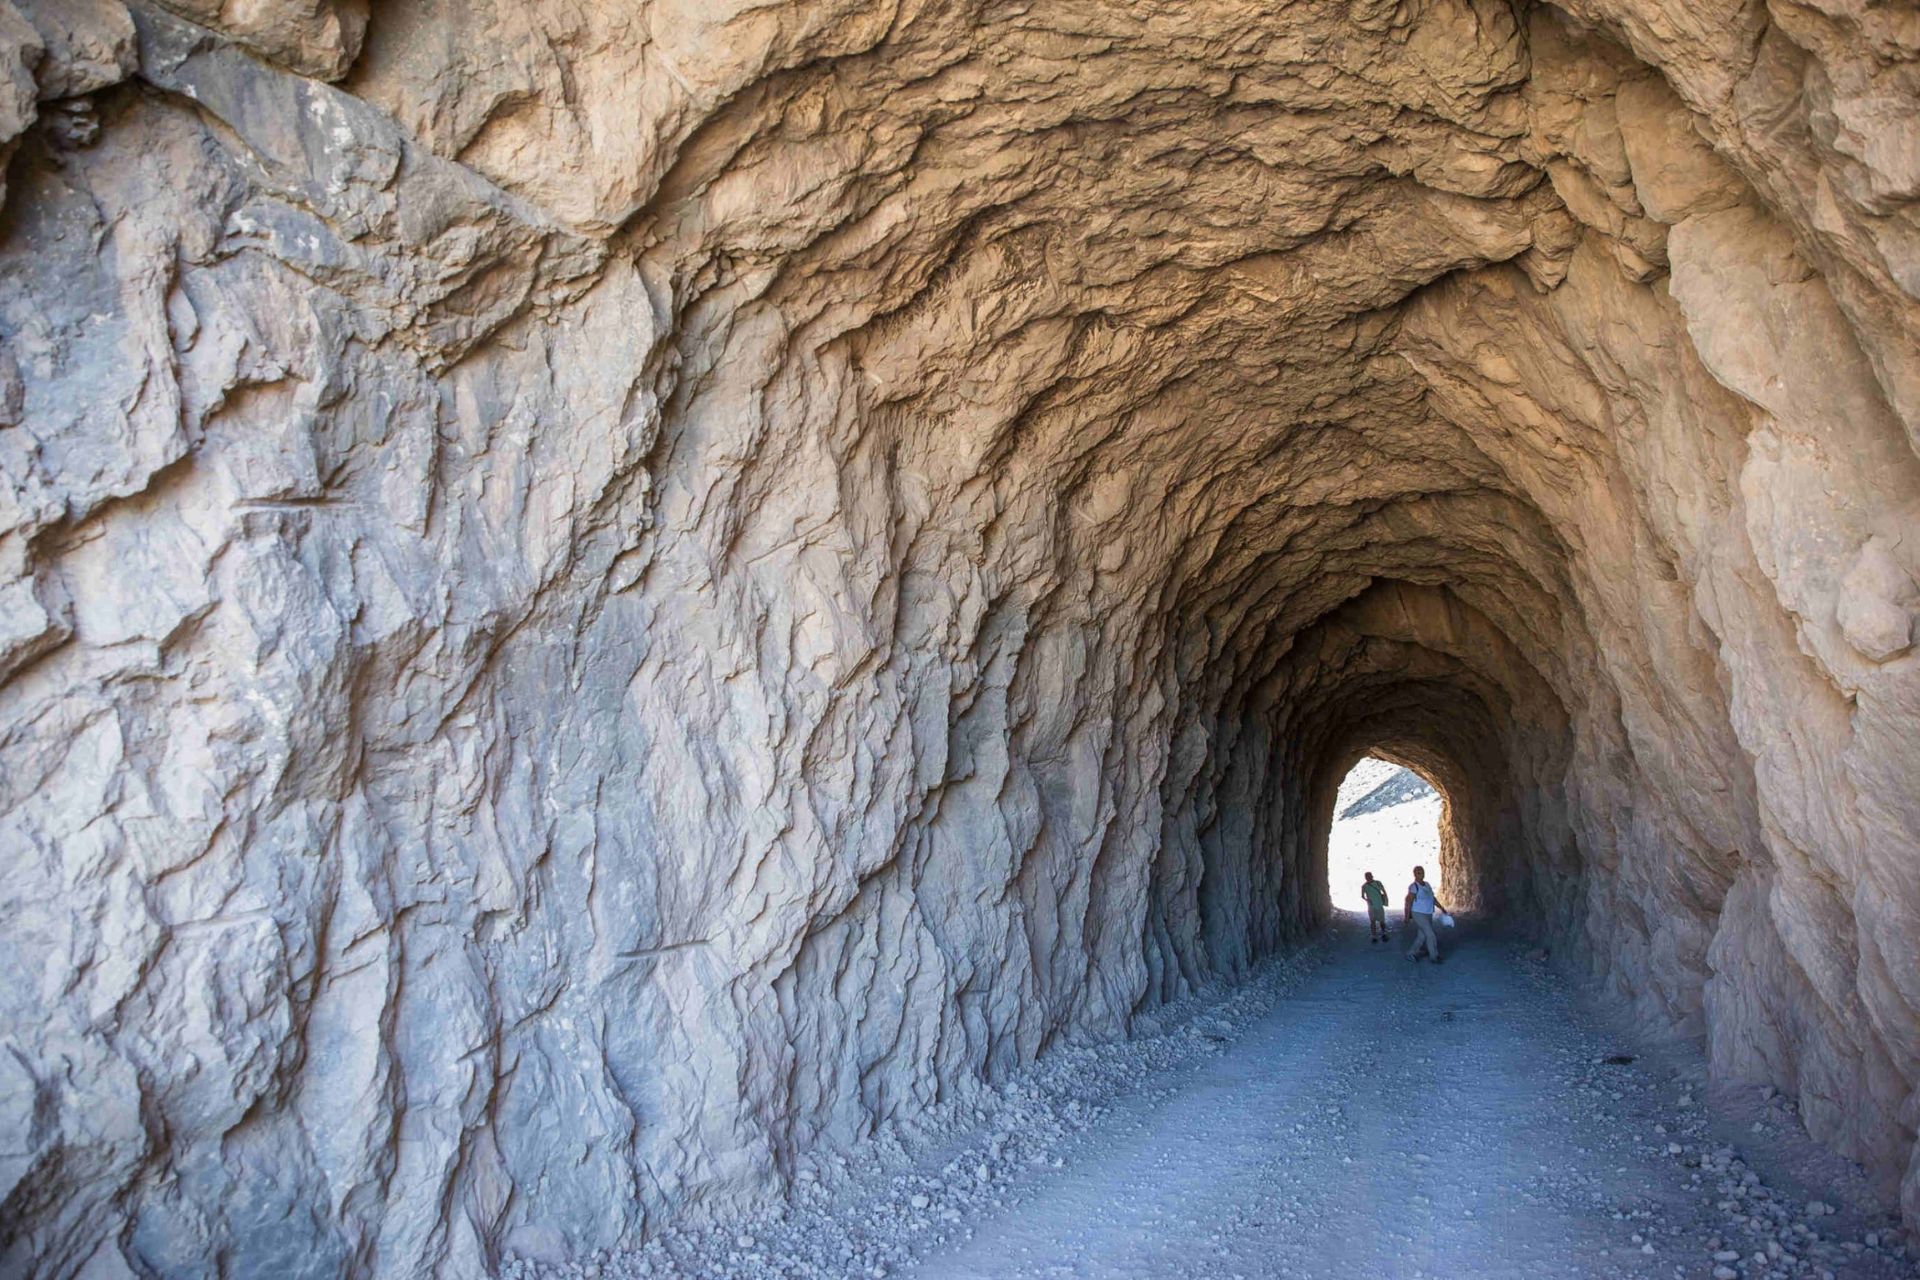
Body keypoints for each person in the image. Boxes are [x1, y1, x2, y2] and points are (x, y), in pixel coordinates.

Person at [1404, 865, 1447, 964]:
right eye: (1418, 872)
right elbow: (1408, 901)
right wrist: (1406, 916)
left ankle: (1410, 953)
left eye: (1422, 872)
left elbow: (1432, 898)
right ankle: (1434, 957)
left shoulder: (1427, 885)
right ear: (1414, 874)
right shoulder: (1413, 887)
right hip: (1418, 913)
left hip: (1428, 913)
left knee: (1422, 936)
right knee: (1430, 934)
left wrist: (1441, 907)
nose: (1420, 874)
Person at [1360, 872, 1390, 943]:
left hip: (1379, 904)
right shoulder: (1364, 886)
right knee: (1372, 921)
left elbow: (1384, 891)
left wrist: (1385, 899)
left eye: (1369, 876)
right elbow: (1362, 896)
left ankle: (1384, 934)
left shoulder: (1378, 883)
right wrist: (1367, 899)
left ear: (1372, 876)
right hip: (1371, 906)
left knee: (1381, 921)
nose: (1368, 877)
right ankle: (1374, 936)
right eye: (1367, 876)